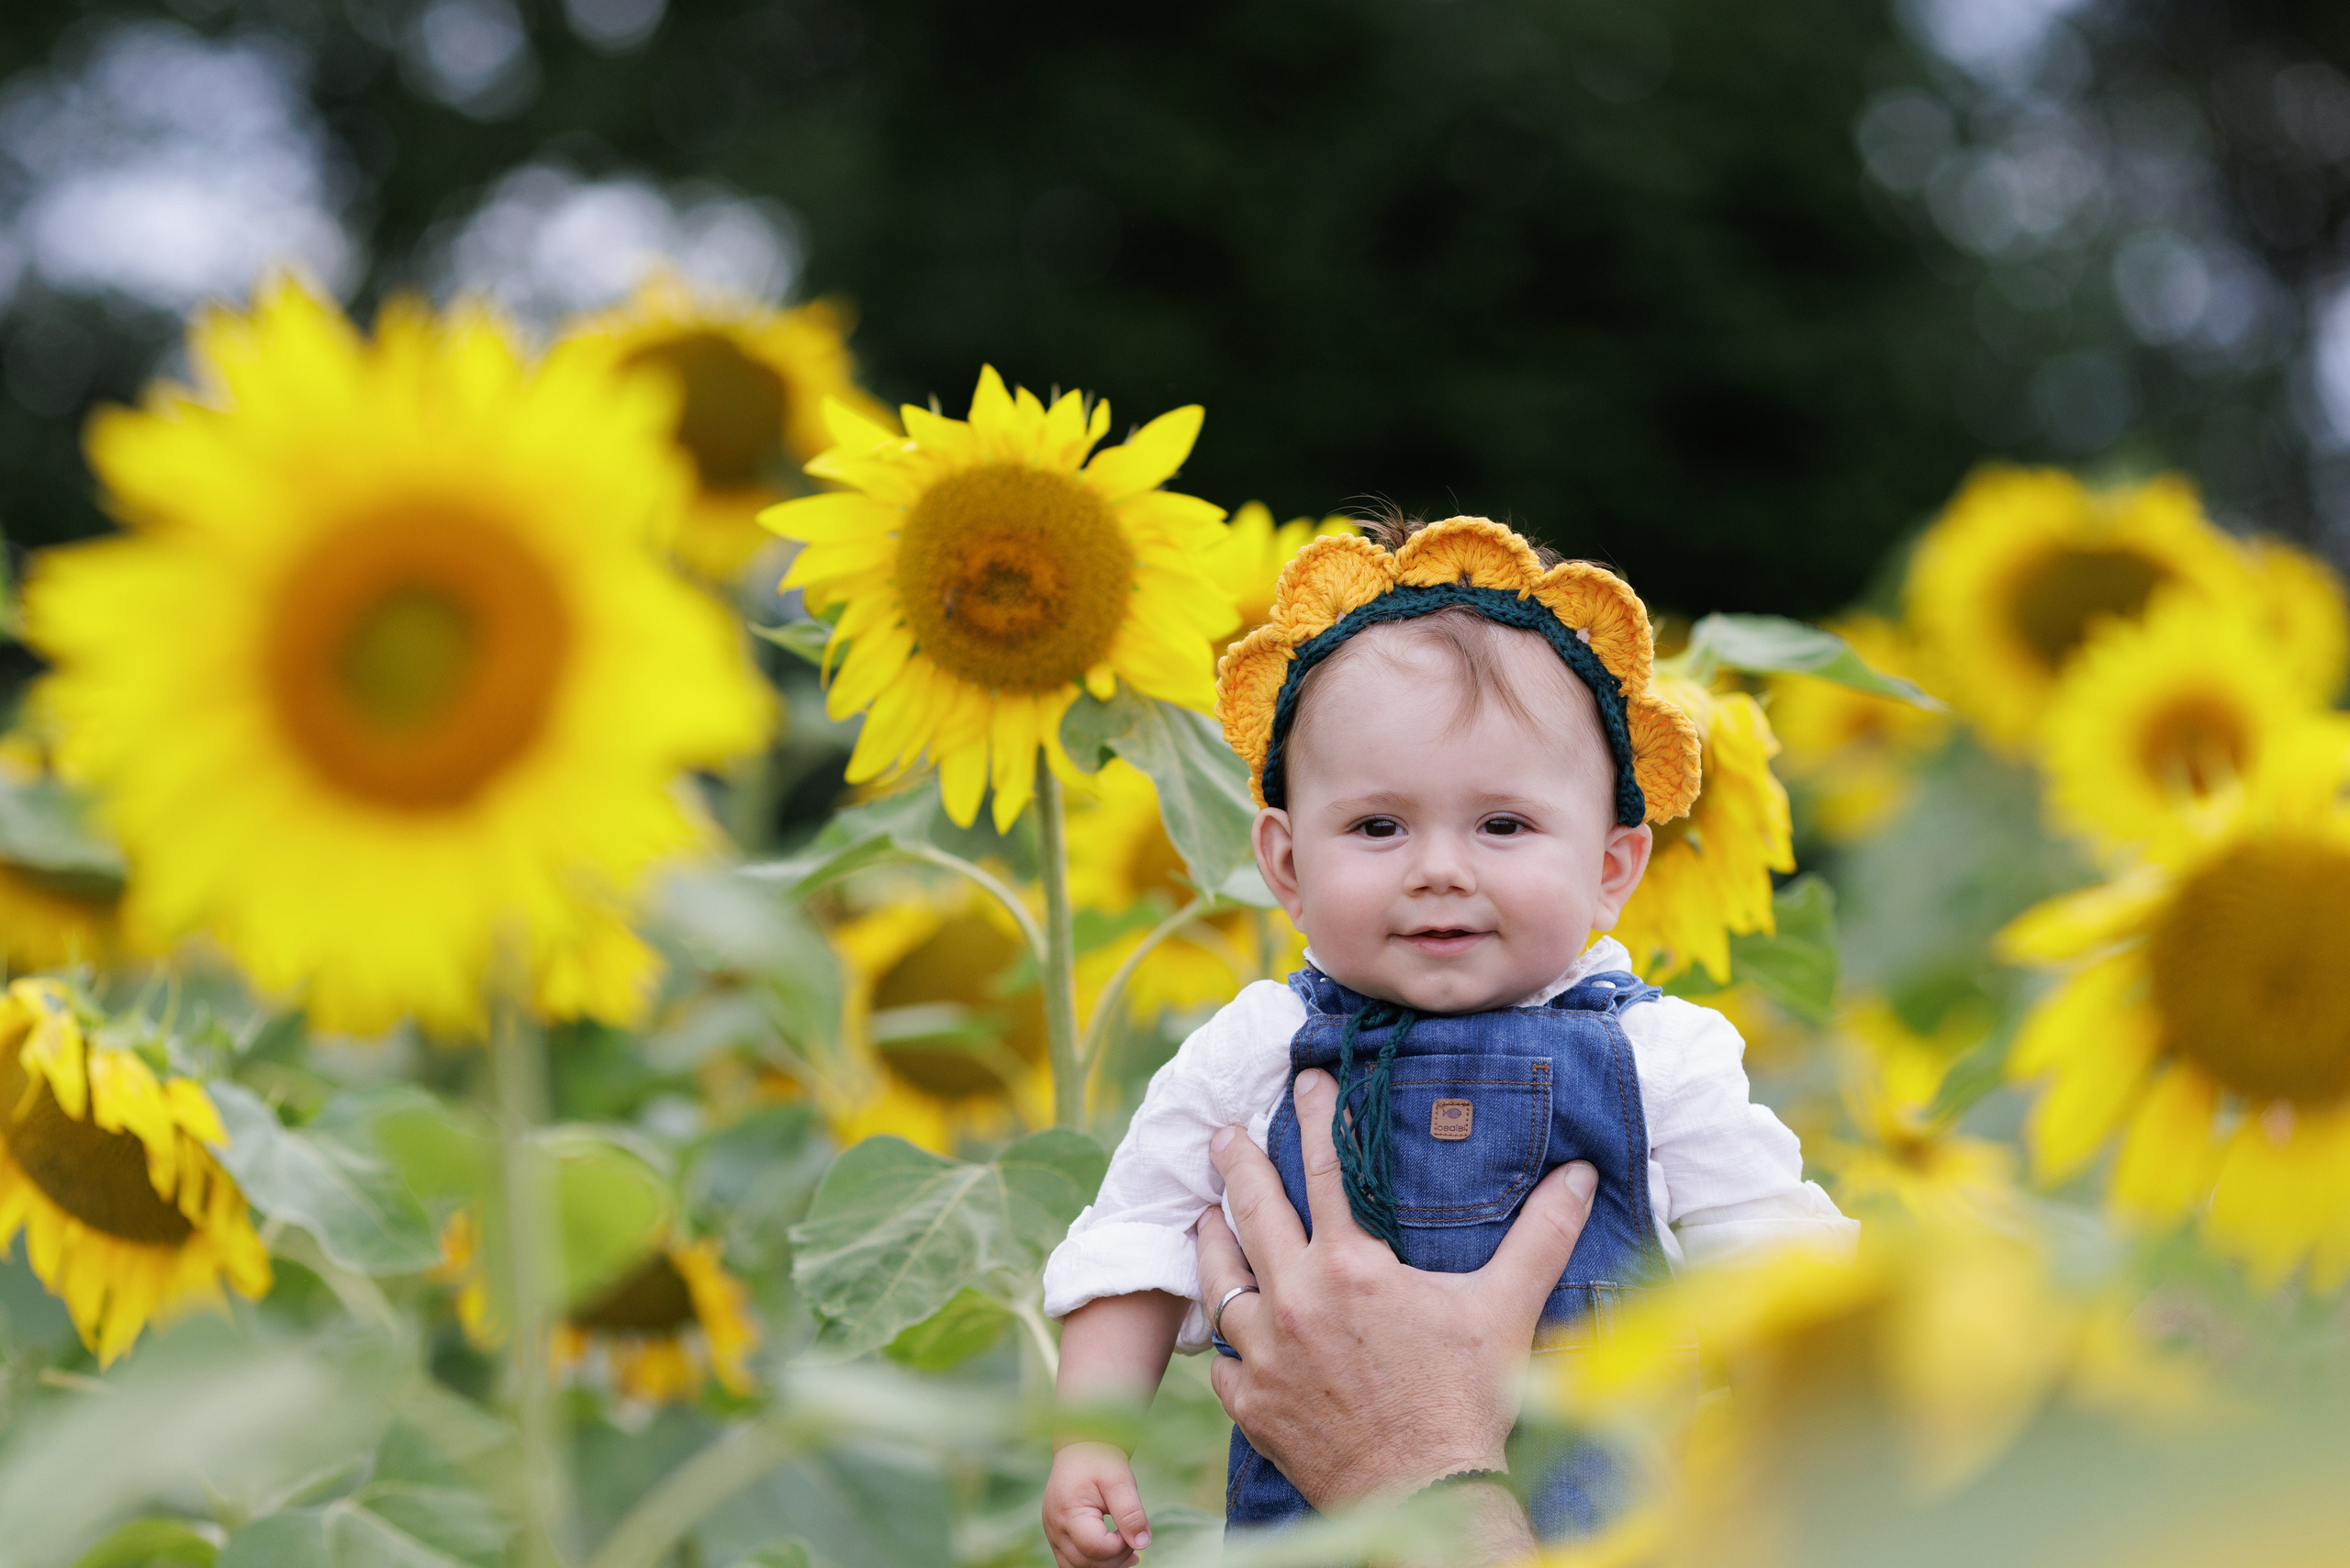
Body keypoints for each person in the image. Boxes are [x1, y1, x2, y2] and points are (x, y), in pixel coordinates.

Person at [1039, 516, 1857, 1566]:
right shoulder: (1259, 1045)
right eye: (1378, 827)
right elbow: (1137, 1235)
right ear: (1285, 865)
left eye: (1501, 826)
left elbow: (1770, 1253)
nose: (1437, 868)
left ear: (1612, 866)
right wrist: (1089, 1442)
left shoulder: (1661, 1056)